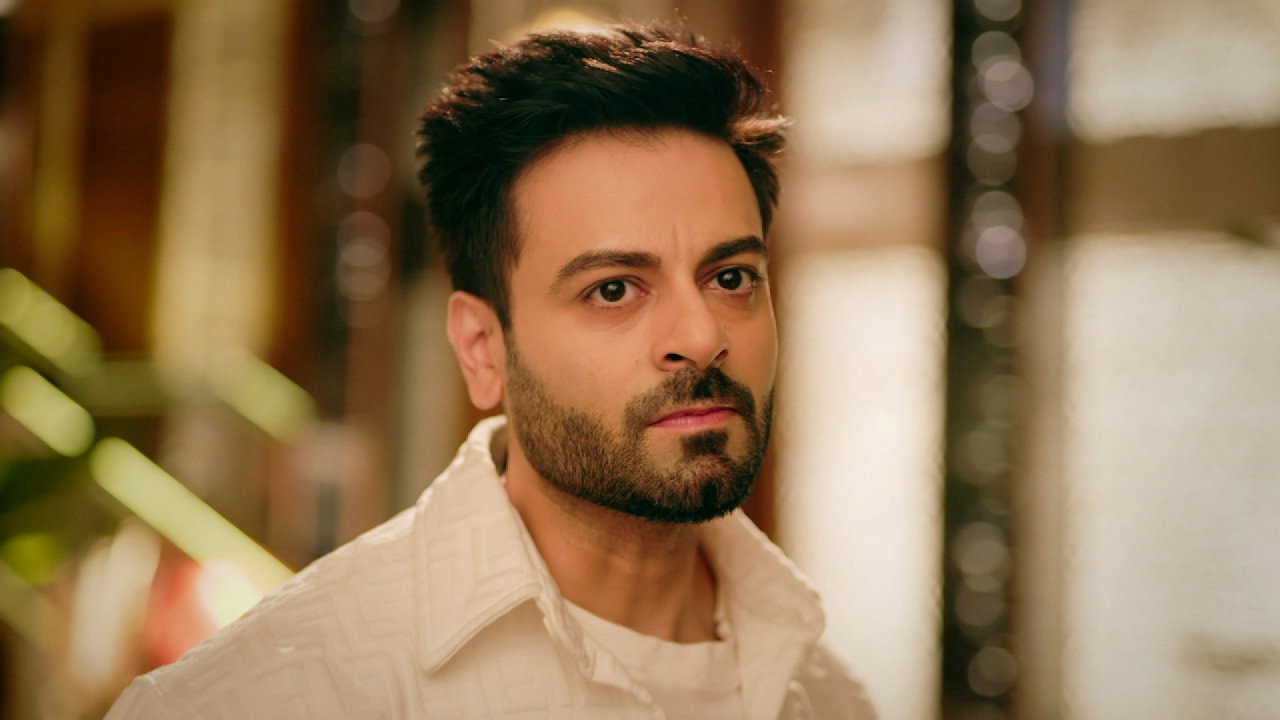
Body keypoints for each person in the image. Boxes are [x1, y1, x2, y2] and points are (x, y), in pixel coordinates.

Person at [107, 21, 876, 719]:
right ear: (482, 348)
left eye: (731, 278)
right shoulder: (269, 696)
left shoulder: (823, 692)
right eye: (614, 290)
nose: (702, 336)